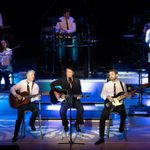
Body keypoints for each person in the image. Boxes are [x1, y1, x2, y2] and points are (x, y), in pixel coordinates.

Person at [95, 69, 127, 145]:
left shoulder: (122, 84)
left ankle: (121, 127)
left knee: (124, 115)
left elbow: (125, 94)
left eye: (112, 74)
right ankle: (101, 138)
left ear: (116, 75)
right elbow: (102, 94)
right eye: (109, 74)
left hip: (119, 104)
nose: (110, 76)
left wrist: (125, 96)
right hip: (109, 104)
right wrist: (107, 96)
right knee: (102, 119)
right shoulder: (106, 84)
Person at [50, 66, 84, 132]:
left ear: (73, 73)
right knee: (62, 111)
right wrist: (56, 93)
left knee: (81, 109)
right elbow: (51, 84)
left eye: (70, 72)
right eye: (67, 72)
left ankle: (77, 124)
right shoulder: (62, 80)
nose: (68, 73)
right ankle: (65, 124)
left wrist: (79, 95)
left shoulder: (77, 81)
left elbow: (80, 92)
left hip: (75, 100)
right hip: (66, 100)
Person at [10, 70, 40, 143]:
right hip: (22, 104)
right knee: (19, 119)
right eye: (31, 75)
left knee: (36, 110)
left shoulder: (36, 86)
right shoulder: (22, 82)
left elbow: (35, 98)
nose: (32, 76)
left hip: (30, 102)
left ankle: (31, 122)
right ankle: (15, 135)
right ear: (27, 76)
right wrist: (16, 95)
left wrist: (35, 98)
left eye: (33, 75)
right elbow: (12, 89)